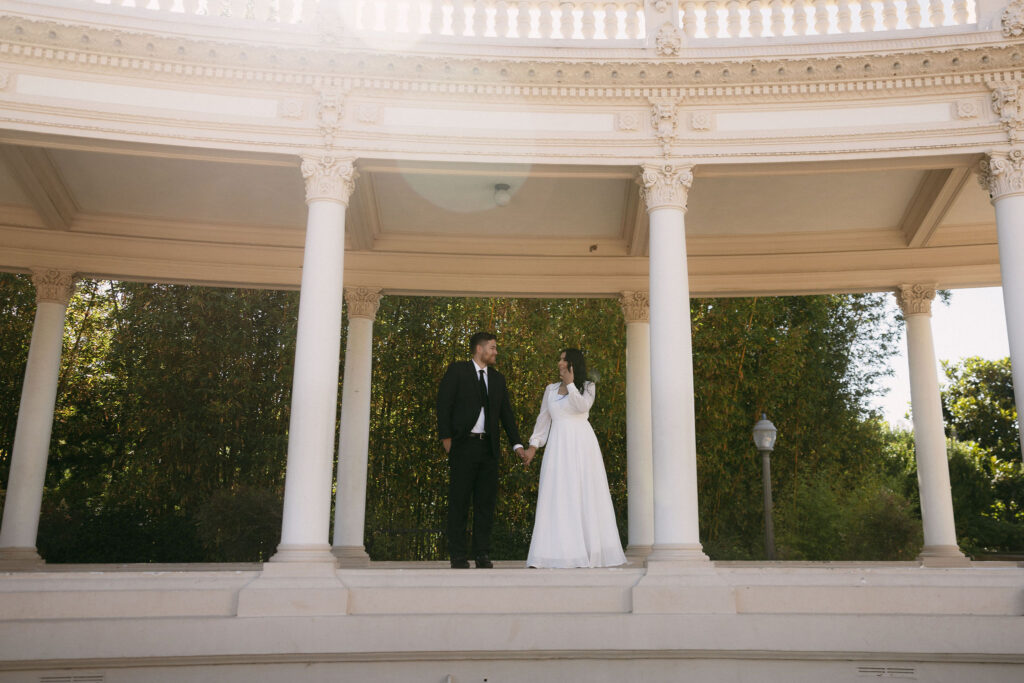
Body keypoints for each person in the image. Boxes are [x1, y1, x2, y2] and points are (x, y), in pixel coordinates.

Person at [520, 349, 626, 569]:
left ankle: (588, 550)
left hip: (582, 446)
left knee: (584, 493)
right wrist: (532, 448)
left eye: (563, 359)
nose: (559, 362)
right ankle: (557, 553)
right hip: (558, 446)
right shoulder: (550, 390)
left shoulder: (588, 386)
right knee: (558, 494)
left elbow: (582, 407)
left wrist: (570, 384)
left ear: (572, 363)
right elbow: (543, 422)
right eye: (559, 358)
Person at [436, 332, 525, 569]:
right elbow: (444, 403)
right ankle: (457, 554)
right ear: (479, 348)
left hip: (489, 448)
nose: (496, 352)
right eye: (493, 348)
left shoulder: (497, 379)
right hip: (463, 445)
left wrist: (516, 444)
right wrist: (446, 438)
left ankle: (482, 554)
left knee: (485, 503)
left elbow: (506, 413)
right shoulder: (458, 371)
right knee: (459, 501)